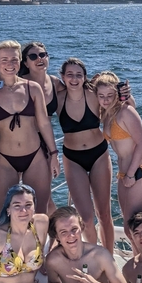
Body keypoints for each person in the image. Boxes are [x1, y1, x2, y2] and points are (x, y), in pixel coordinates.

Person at [0, 40, 60, 217]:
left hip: (36, 157)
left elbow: (45, 124)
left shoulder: (32, 88)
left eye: (14, 59)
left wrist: (54, 154)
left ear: (20, 61)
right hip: (4, 160)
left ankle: (38, 245)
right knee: (4, 215)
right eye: (4, 59)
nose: (10, 64)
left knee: (39, 214)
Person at [57, 58, 114, 252]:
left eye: (78, 75)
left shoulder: (93, 94)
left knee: (104, 214)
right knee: (87, 218)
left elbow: (118, 101)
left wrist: (125, 94)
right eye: (70, 74)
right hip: (73, 159)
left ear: (85, 77)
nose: (74, 79)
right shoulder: (57, 97)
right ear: (62, 77)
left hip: (98, 154)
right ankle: (94, 256)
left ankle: (108, 256)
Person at [94, 72, 142, 237]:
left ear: (117, 95)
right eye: (101, 96)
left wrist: (130, 175)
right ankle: (140, 260)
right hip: (124, 174)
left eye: (109, 95)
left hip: (138, 172)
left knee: (136, 228)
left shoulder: (126, 112)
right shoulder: (106, 115)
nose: (105, 100)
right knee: (131, 229)